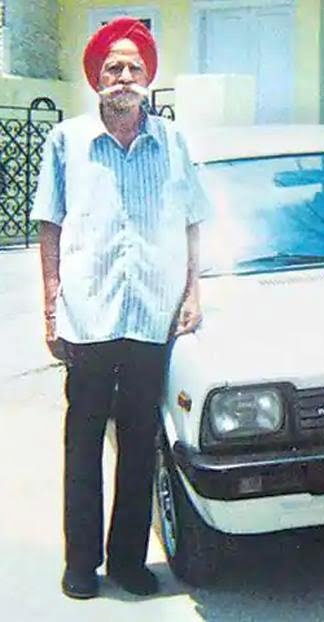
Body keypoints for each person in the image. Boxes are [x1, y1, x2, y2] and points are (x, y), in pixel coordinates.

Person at [31, 17, 209, 599]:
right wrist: (52, 303)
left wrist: (193, 290)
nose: (124, 77)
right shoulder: (68, 142)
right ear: (97, 78)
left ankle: (129, 562)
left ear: (148, 78)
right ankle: (80, 564)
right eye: (113, 67)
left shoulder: (174, 142)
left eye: (134, 67)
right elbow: (49, 225)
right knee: (83, 443)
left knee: (140, 444)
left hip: (151, 316)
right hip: (89, 315)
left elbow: (192, 221)